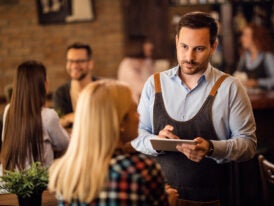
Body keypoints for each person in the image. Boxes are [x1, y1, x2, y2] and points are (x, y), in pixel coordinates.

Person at [131, 11, 257, 205]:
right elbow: (137, 136)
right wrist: (156, 141)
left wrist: (212, 148)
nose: (189, 57)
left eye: (198, 49)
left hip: (213, 199)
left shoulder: (230, 87)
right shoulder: (154, 84)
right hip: (161, 197)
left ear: (213, 46)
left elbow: (248, 145)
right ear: (176, 41)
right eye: (184, 47)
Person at [48, 79, 178, 205]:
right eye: (134, 111)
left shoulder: (65, 171)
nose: (140, 117)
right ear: (120, 122)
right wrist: (169, 202)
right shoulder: (141, 170)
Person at [1, 60, 69, 171]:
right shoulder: (48, 116)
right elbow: (64, 144)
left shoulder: (8, 110)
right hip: (41, 183)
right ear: (44, 84)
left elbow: (5, 141)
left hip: (11, 181)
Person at [53, 42, 98, 127]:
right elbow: (57, 124)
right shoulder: (61, 93)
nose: (74, 65)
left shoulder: (101, 88)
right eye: (70, 61)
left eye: (80, 61)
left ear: (90, 64)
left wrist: (72, 117)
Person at [235, 23, 274, 90]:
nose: (241, 38)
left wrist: (256, 82)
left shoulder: (268, 57)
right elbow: (238, 75)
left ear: (255, 37)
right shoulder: (244, 57)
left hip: (265, 99)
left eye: (245, 35)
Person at [118, 36, 155, 103]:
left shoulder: (146, 62)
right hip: (132, 107)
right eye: (146, 43)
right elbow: (143, 88)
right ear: (138, 46)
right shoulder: (127, 64)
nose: (151, 46)